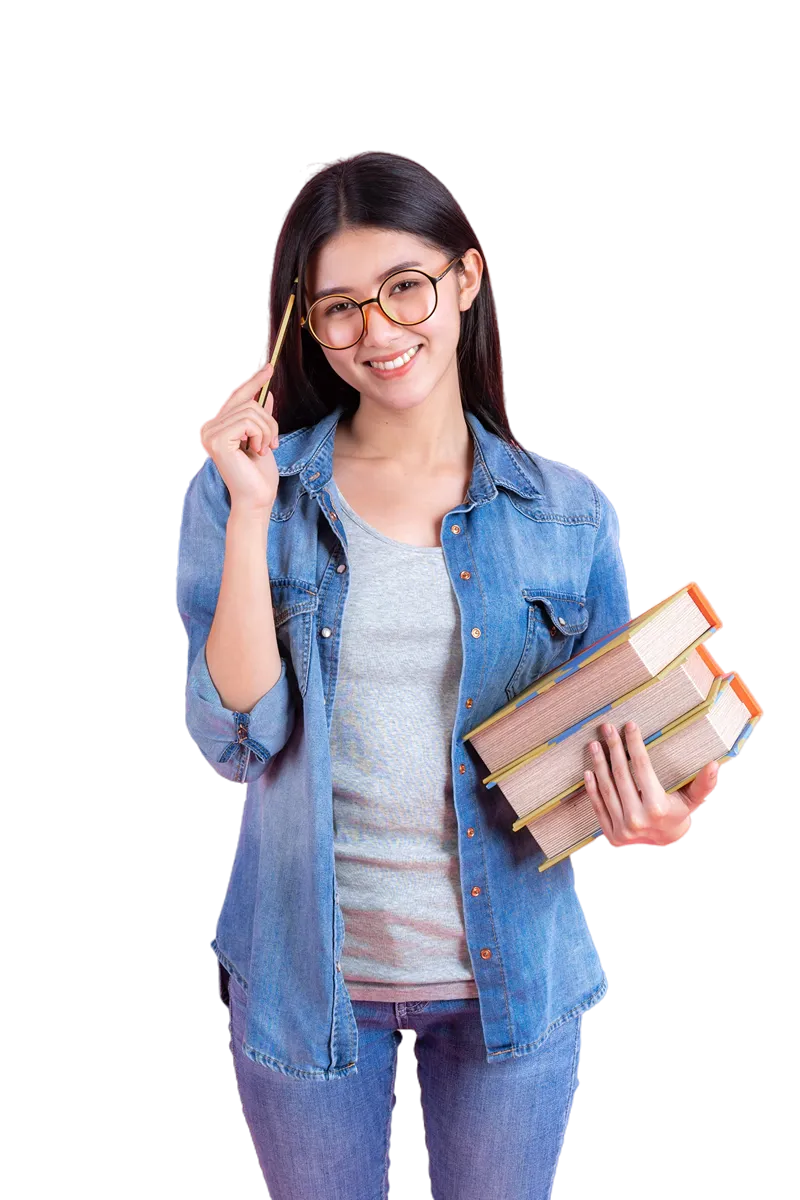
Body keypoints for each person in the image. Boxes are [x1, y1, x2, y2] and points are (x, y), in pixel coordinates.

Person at [177, 151, 628, 1199]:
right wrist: (248, 510)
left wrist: (659, 803)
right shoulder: (252, 495)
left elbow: (607, 756)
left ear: (466, 277)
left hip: (509, 986)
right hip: (307, 982)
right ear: (302, 325)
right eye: (338, 307)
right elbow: (235, 730)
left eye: (404, 288)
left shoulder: (565, 514)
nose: (376, 332)